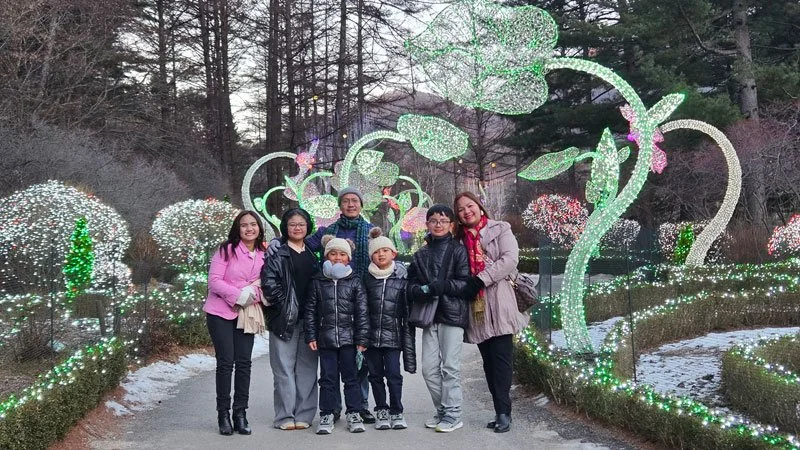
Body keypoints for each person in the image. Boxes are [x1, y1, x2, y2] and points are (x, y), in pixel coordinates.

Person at [269, 186, 374, 423]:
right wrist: (278, 241)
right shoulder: (329, 230)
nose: (350, 204)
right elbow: (301, 244)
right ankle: (333, 406)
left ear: (361, 205)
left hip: (359, 299)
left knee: (359, 358)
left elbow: (383, 255)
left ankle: (361, 405)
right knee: (331, 364)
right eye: (345, 200)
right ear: (340, 205)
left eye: (354, 200)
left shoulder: (369, 232)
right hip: (329, 303)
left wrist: (395, 268)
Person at [454, 192, 530, 433]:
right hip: (477, 308)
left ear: (479, 206)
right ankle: (499, 410)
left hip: (500, 301)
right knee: (487, 363)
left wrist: (480, 279)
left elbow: (510, 259)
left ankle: (504, 412)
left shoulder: (500, 229)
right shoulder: (458, 240)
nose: (467, 211)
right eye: (461, 209)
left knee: (501, 360)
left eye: (470, 206)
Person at [407, 205, 471, 433]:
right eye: (433, 220)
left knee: (450, 367)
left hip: (452, 314)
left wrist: (444, 286)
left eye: (443, 221)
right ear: (427, 224)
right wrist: (420, 290)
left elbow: (466, 283)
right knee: (429, 369)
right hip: (429, 315)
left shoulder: (458, 251)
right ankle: (443, 410)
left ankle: (453, 414)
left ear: (451, 225)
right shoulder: (420, 254)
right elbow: (410, 285)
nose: (438, 224)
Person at [203, 210, 266, 436]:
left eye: (253, 224)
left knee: (244, 363)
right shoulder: (226, 251)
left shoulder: (263, 254)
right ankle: (223, 414)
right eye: (244, 225)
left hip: (246, 313)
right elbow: (214, 282)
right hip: (220, 312)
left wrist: (252, 294)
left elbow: (266, 285)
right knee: (226, 362)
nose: (249, 229)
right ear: (237, 229)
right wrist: (239, 294)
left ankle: (241, 413)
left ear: (259, 227)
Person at [304, 236, 370, 434]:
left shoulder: (355, 281)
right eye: (333, 254)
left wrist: (362, 339)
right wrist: (311, 335)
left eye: (342, 254)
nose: (338, 258)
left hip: (349, 340)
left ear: (348, 258)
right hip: (326, 340)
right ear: (326, 256)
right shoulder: (318, 281)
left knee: (351, 378)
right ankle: (327, 413)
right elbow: (310, 310)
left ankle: (354, 412)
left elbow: (362, 312)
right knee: (327, 378)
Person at [261, 208, 319, 430]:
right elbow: (269, 282)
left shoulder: (313, 254)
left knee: (307, 369)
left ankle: (304, 414)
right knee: (283, 369)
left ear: (307, 227)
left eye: (301, 224)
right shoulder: (277, 253)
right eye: (293, 224)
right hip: (284, 319)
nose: (297, 228)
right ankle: (284, 416)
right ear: (285, 227)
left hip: (310, 321)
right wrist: (285, 305)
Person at [363, 227, 416, 430]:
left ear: (393, 253)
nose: (381, 254)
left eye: (385, 250)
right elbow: (361, 307)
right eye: (376, 252)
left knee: (394, 375)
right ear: (371, 257)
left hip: (393, 337)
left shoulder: (401, 277)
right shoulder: (366, 278)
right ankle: (381, 409)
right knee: (375, 376)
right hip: (371, 337)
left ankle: (397, 410)